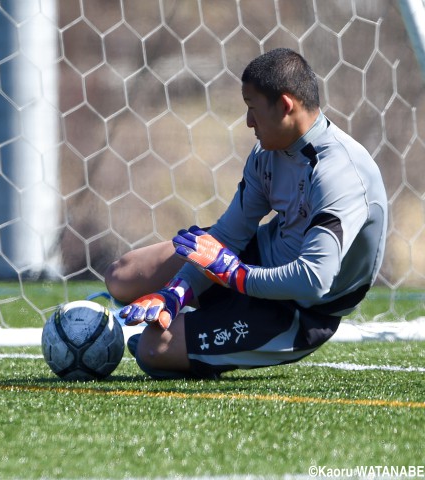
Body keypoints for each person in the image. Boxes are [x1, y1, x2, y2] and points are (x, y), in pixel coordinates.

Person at [104, 48, 388, 379]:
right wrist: (176, 293)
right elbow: (228, 235)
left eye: (253, 109)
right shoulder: (268, 152)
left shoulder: (340, 174)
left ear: (285, 106)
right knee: (122, 276)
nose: (248, 121)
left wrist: (236, 276)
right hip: (257, 262)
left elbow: (314, 280)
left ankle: (204, 338)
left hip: (300, 311)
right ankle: (195, 314)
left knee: (154, 349)